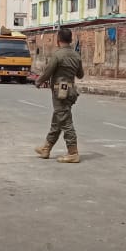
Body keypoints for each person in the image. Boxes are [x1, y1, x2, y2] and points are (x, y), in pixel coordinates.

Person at [34, 27, 85, 163]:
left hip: (60, 93)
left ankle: (73, 153)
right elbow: (80, 75)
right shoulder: (76, 55)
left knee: (66, 122)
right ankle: (46, 148)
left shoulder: (58, 55)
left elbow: (48, 72)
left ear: (58, 40)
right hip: (71, 92)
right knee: (57, 121)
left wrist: (38, 81)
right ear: (71, 40)